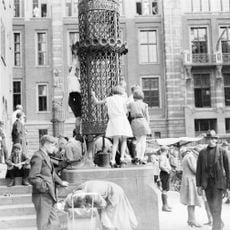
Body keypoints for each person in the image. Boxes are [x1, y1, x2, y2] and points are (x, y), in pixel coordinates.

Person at [28, 135, 69, 230]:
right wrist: (45, 187)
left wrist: (61, 182)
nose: (55, 148)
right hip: (42, 195)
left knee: (55, 223)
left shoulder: (46, 156)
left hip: (49, 195)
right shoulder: (38, 156)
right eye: (53, 145)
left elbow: (52, 173)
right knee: (43, 224)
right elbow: (33, 177)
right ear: (46, 144)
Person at [65, 180, 138, 230]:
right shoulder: (79, 189)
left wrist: (89, 206)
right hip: (109, 190)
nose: (82, 206)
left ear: (83, 199)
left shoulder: (91, 195)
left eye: (82, 204)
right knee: (105, 218)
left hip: (115, 193)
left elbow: (103, 204)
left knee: (113, 217)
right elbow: (72, 200)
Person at [91, 85, 133, 168]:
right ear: (121, 92)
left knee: (115, 142)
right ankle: (121, 158)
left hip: (113, 120)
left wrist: (93, 94)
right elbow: (127, 110)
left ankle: (113, 159)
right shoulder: (123, 99)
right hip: (122, 120)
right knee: (124, 140)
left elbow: (97, 102)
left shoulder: (109, 99)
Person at [196, 130, 230, 230]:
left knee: (217, 208)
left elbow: (228, 170)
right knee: (211, 207)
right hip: (207, 184)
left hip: (218, 184)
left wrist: (228, 187)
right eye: (209, 139)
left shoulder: (223, 152)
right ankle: (219, 224)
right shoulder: (202, 153)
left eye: (213, 139)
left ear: (216, 140)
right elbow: (199, 170)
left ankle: (216, 228)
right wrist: (198, 185)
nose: (211, 141)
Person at [180, 148, 202, 227]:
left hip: (188, 180)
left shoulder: (187, 156)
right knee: (191, 200)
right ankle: (192, 220)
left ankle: (191, 219)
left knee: (191, 200)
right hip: (190, 180)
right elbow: (195, 170)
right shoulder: (191, 157)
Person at [128, 89, 151, 165]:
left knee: (138, 141)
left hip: (134, 122)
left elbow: (126, 110)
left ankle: (137, 157)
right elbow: (147, 116)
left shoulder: (131, 104)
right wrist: (148, 125)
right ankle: (141, 157)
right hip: (143, 121)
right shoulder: (145, 105)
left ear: (134, 97)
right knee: (143, 141)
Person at [67, 58, 81, 134]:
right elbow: (73, 68)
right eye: (77, 71)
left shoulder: (76, 79)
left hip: (76, 97)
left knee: (79, 117)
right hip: (74, 96)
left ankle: (78, 132)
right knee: (78, 117)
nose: (77, 72)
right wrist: (75, 60)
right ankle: (78, 133)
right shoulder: (71, 77)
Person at [159, 145, 172, 212]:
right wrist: (167, 170)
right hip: (164, 174)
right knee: (165, 189)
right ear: (166, 151)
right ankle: (164, 206)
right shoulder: (163, 157)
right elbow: (161, 166)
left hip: (164, 173)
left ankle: (166, 204)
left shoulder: (163, 157)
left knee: (166, 189)